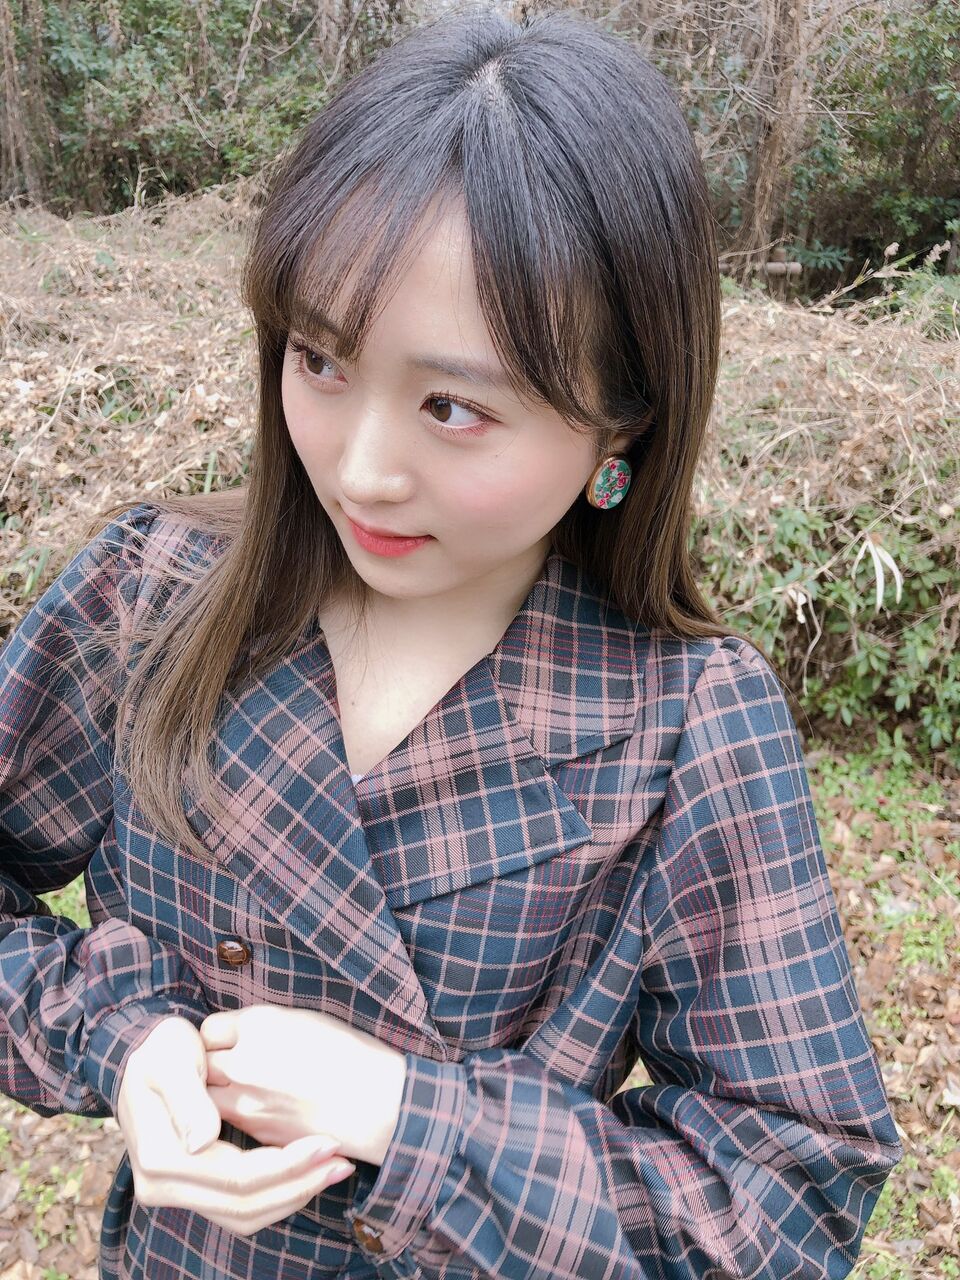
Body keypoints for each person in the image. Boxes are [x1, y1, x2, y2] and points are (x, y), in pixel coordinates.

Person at [0, 4, 902, 1279]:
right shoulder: (152, 596)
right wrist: (124, 1034)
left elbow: (790, 1191)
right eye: (320, 360)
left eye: (453, 406)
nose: (361, 470)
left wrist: (410, 1116)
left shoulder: (685, 723)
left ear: (620, 426)